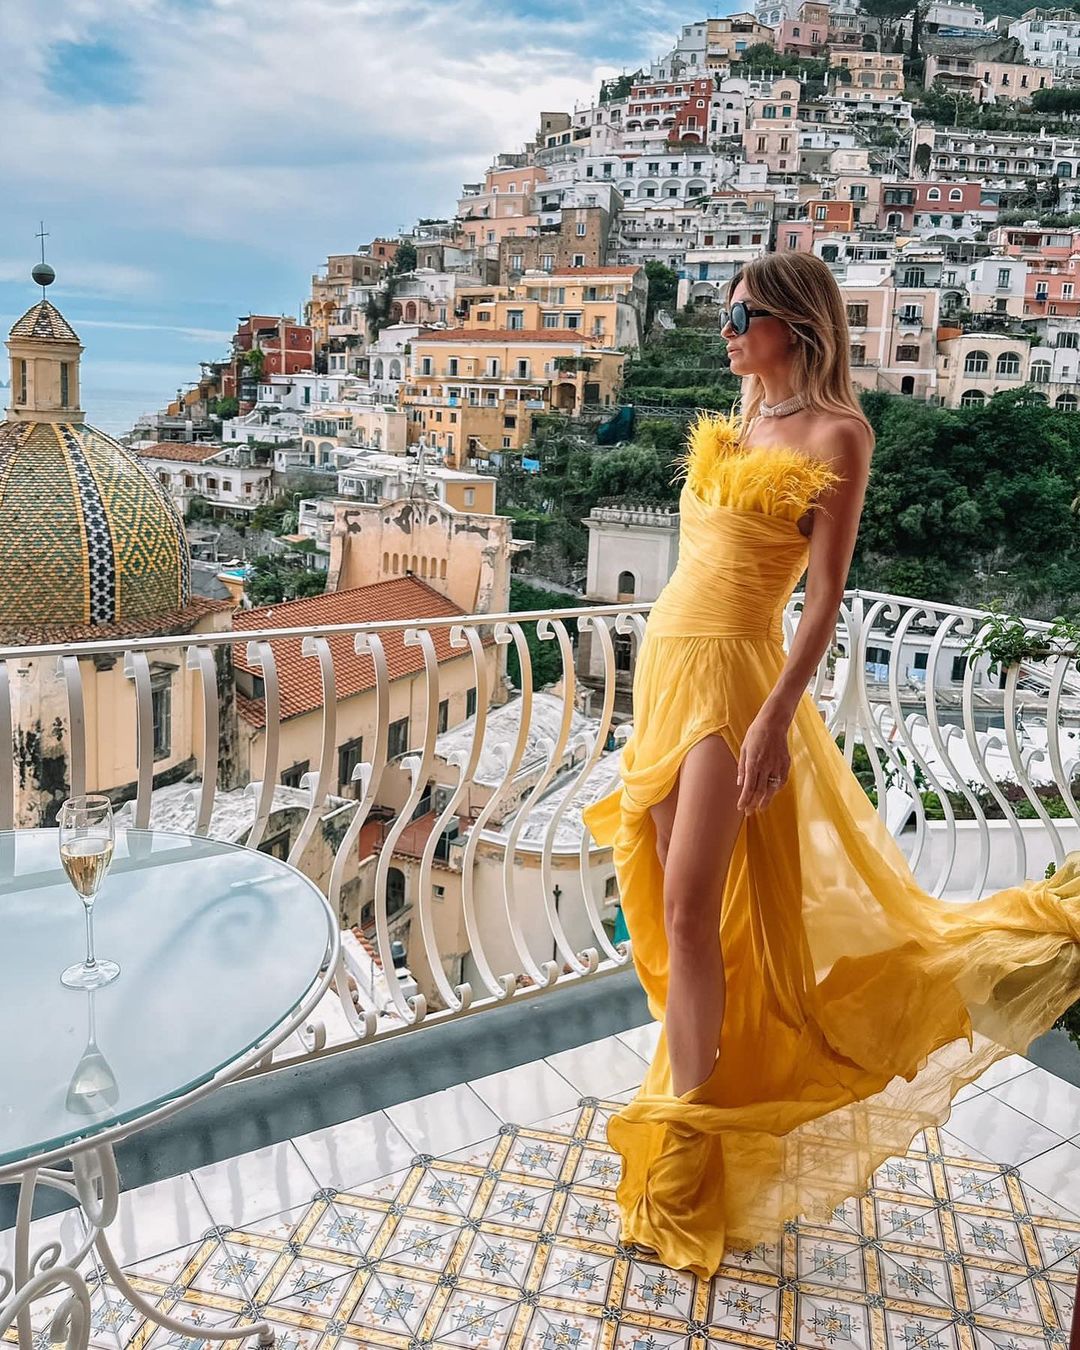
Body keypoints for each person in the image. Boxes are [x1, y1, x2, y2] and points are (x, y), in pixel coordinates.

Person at [581, 251, 1080, 1279]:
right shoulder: (738, 424)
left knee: (686, 911)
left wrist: (773, 719)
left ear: (796, 324)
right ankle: (697, 1106)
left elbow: (824, 602)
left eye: (740, 314)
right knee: (685, 919)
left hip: (733, 683)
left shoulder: (837, 433)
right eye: (725, 313)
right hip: (668, 669)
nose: (724, 329)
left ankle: (685, 1160)